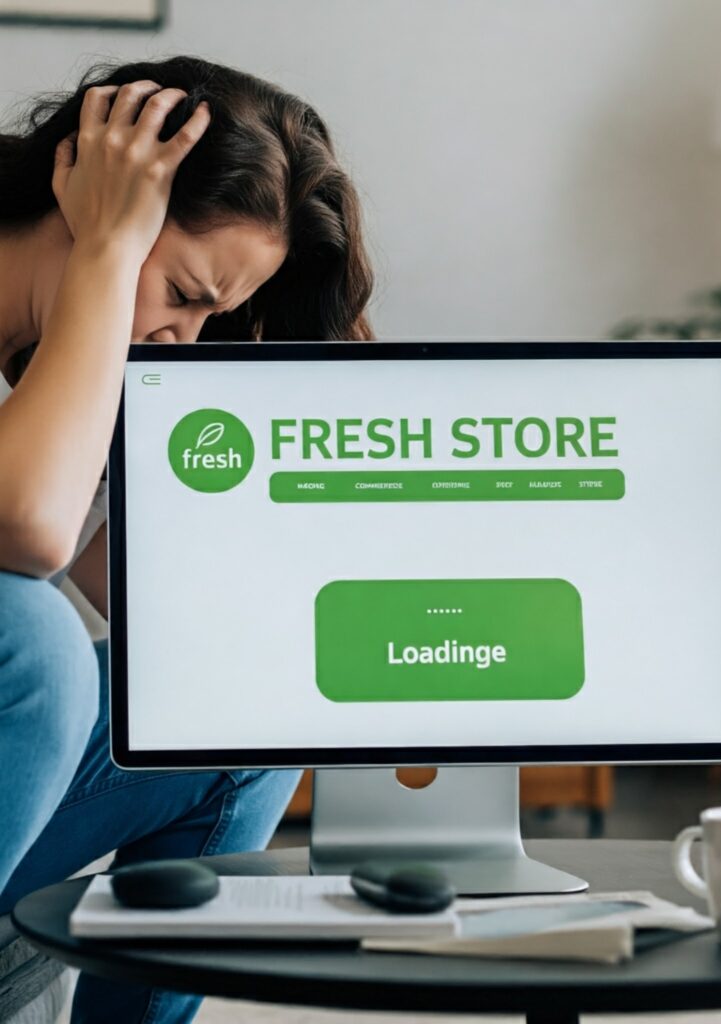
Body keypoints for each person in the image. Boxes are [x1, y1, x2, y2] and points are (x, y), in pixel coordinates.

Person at [0, 55, 374, 1023]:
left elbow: (127, 585)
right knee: (34, 639)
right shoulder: (87, 290)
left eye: (213, 314)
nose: (184, 335)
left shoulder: (60, 364)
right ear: (90, 194)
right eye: (184, 290)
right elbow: (32, 531)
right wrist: (107, 256)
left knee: (232, 713)